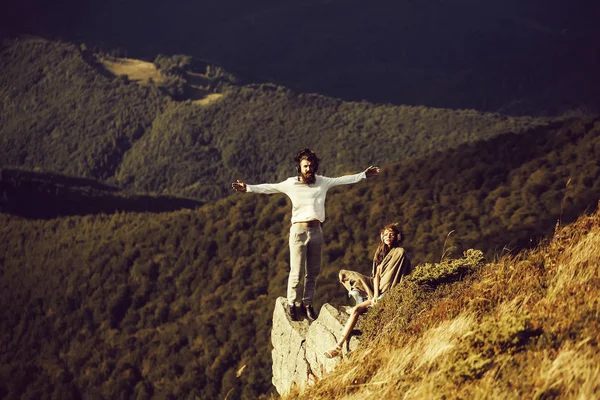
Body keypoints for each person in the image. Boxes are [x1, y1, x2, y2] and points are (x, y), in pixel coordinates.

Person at [231, 148, 379, 322]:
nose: (308, 169)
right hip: (298, 232)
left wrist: (363, 175)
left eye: (311, 166)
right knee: (297, 271)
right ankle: (292, 304)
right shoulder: (291, 184)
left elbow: (342, 180)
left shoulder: (322, 182)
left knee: (313, 272)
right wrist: (247, 187)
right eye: (305, 166)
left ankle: (307, 304)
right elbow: (270, 187)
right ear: (299, 167)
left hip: (316, 231)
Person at [324, 223, 412, 358]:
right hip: (377, 288)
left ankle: (338, 346)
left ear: (396, 237)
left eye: (392, 234)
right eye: (386, 234)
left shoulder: (399, 252)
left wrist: (381, 295)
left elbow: (398, 276)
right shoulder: (381, 252)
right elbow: (376, 276)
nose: (388, 237)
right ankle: (368, 298)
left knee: (356, 310)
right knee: (345, 275)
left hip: (389, 290)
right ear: (382, 236)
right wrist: (375, 294)